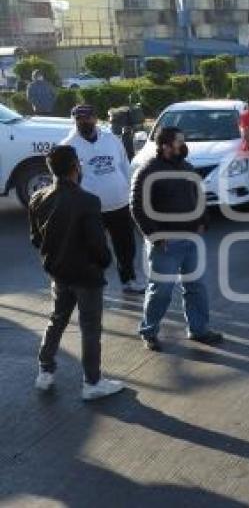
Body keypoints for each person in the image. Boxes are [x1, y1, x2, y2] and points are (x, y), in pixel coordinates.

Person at [28, 145, 125, 401]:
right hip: (86, 275)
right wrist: (104, 262)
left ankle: (45, 371)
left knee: (57, 319)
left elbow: (35, 238)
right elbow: (97, 245)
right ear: (75, 167)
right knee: (90, 328)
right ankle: (92, 382)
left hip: (58, 273)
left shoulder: (38, 197)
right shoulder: (88, 200)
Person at [130, 127, 224, 352]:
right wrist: (154, 235)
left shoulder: (187, 167)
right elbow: (137, 207)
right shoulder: (147, 172)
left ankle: (198, 329)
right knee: (160, 290)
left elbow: (198, 196)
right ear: (165, 145)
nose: (184, 145)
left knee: (196, 287)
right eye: (179, 141)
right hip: (165, 243)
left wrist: (203, 220)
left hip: (191, 239)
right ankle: (149, 331)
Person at [61, 104, 145, 294]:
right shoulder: (68, 146)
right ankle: (93, 284)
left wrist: (129, 190)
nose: (84, 122)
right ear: (74, 121)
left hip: (119, 203)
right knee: (92, 248)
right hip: (90, 208)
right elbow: (66, 179)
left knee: (126, 247)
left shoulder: (112, 140)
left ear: (95, 118)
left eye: (87, 118)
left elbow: (124, 166)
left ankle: (129, 280)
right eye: (79, 119)